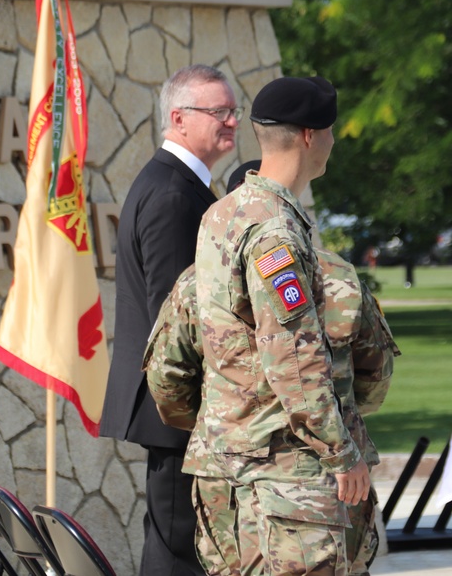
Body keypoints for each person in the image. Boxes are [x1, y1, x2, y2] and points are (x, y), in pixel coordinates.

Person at [143, 156, 401, 574]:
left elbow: (167, 379)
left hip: (225, 469)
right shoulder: (341, 277)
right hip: (313, 473)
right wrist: (334, 420)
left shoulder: (195, 284)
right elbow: (374, 377)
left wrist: (218, 419)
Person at [192, 76, 370, 575]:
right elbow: (294, 356)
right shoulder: (276, 231)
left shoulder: (221, 215)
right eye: (331, 132)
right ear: (311, 136)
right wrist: (342, 453)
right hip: (282, 476)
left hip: (228, 465)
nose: (332, 143)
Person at [101, 64, 241, 575]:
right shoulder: (173, 194)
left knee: (174, 543)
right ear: (179, 118)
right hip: (179, 408)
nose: (231, 121)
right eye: (218, 112)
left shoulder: (178, 184)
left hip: (175, 407)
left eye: (233, 111)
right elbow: (177, 314)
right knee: (178, 547)